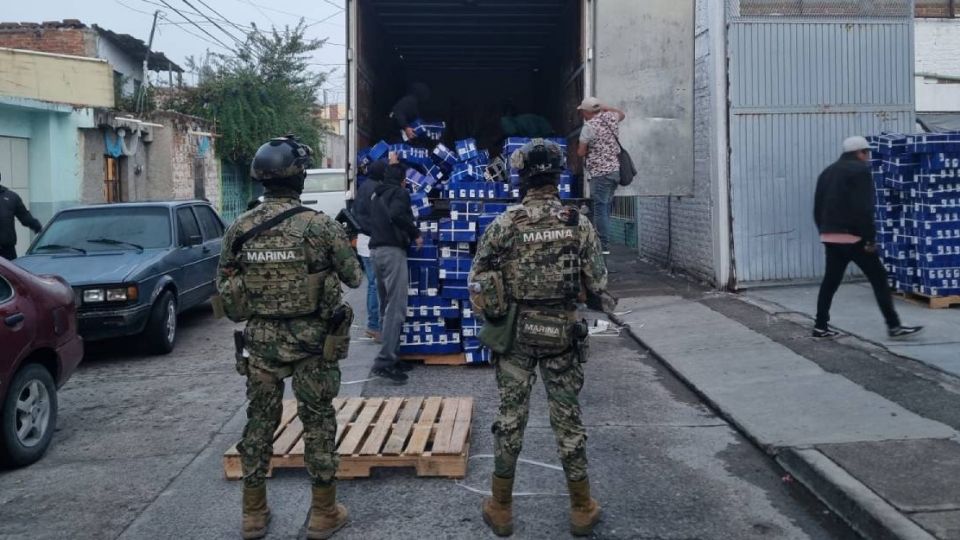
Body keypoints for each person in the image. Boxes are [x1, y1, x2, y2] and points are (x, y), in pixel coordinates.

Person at [216, 135, 362, 540]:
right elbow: (354, 277)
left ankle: (253, 514)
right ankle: (324, 513)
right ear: (299, 177)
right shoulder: (320, 226)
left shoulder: (240, 227)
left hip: (261, 341)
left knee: (259, 423)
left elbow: (226, 290)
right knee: (317, 423)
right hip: (313, 342)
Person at [471, 139, 612, 537]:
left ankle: (500, 508)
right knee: (567, 420)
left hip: (516, 335)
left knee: (510, 419)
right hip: (561, 334)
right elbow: (598, 282)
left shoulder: (505, 224)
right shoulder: (577, 222)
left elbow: (477, 281)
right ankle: (581, 508)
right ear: (557, 175)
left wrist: (496, 310)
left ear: (521, 177)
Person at [813, 135, 923, 340]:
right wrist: (870, 238)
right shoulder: (860, 171)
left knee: (830, 282)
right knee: (879, 278)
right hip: (854, 237)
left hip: (830, 235)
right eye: (867, 152)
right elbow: (863, 208)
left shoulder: (827, 172)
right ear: (860, 152)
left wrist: (824, 231)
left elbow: (817, 207)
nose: (869, 157)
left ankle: (820, 326)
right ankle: (894, 326)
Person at [366, 152, 422, 383]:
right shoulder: (399, 193)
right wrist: (415, 233)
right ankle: (385, 361)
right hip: (392, 252)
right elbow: (397, 214)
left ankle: (393, 353)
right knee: (396, 307)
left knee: (385, 305)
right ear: (402, 180)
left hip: (375, 252)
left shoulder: (376, 194)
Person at [576, 97, 625, 256]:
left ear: (586, 112)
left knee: (600, 209)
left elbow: (581, 152)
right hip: (615, 172)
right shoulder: (611, 118)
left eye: (582, 111)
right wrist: (605, 107)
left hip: (600, 174)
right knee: (606, 207)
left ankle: (602, 245)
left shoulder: (589, 127)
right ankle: (604, 241)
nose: (582, 114)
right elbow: (622, 114)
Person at [353, 160, 389, 342]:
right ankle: (374, 326)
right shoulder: (376, 190)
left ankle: (374, 325)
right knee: (375, 285)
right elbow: (378, 216)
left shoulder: (363, 187)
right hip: (371, 242)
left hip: (363, 241)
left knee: (373, 284)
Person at [0, 172, 43, 260]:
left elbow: (24, 216)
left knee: (12, 269)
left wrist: (38, 227)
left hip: (7, 251)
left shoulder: (11, 197)